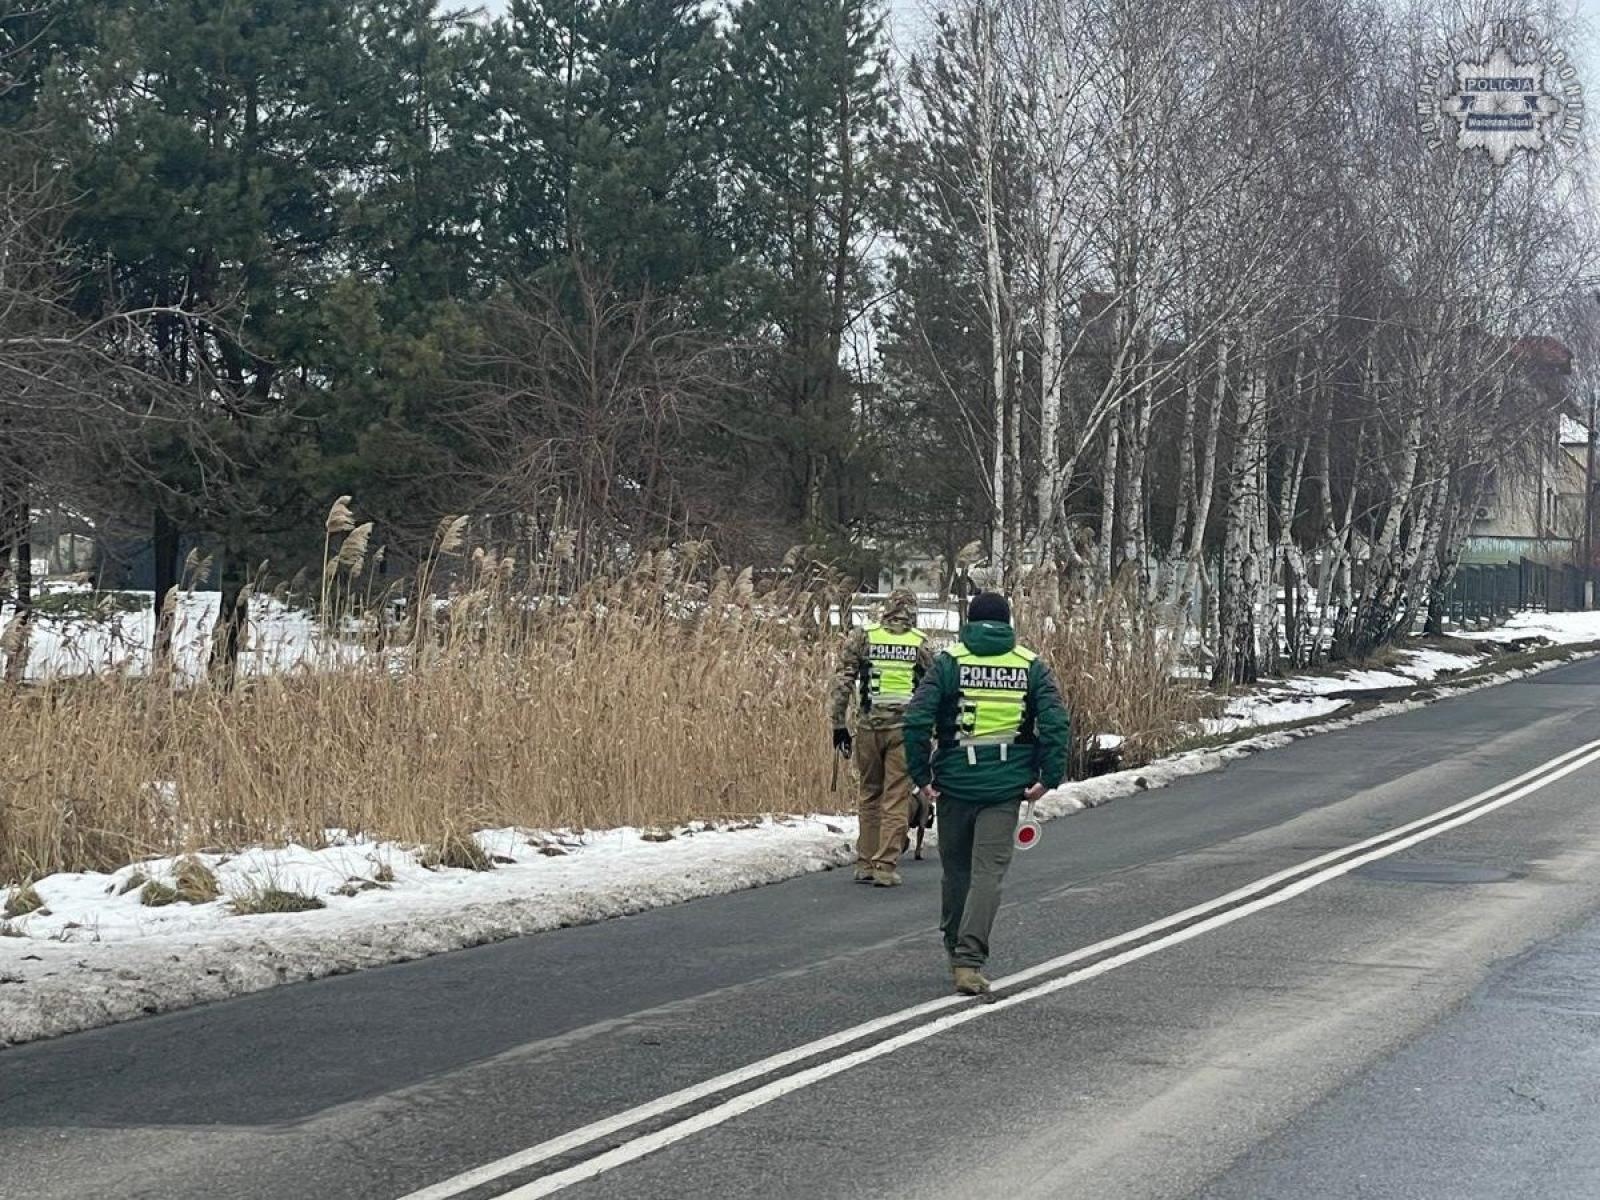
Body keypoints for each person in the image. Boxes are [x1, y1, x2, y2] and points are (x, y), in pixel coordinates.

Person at [903, 591, 1069, 995]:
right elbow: (1055, 722)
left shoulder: (949, 663)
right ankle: (968, 961)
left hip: (955, 782)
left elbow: (916, 719)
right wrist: (1049, 776)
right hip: (1006, 786)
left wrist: (921, 775)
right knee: (987, 875)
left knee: (956, 872)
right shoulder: (1030, 666)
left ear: (969, 621)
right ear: (1008, 623)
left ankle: (953, 946)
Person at [829, 588, 935, 887]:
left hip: (868, 728)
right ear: (913, 613)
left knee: (869, 793)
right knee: (895, 796)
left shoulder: (864, 636)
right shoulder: (920, 644)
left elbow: (843, 681)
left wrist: (838, 724)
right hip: (904, 730)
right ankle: (885, 866)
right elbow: (933, 688)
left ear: (885, 610)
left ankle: (864, 862)